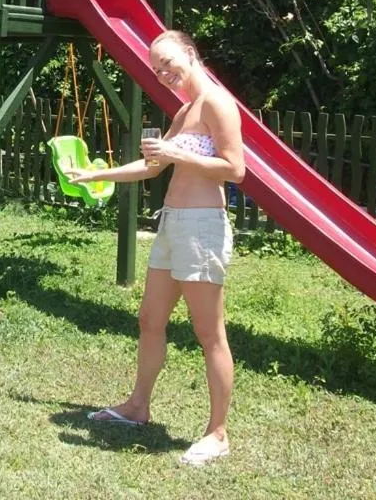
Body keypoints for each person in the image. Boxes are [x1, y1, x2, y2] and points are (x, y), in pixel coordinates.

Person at [64, 29, 245, 466]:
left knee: (208, 332)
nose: (162, 72)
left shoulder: (217, 102)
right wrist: (94, 176)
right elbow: (151, 167)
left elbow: (235, 169)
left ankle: (217, 433)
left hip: (202, 227)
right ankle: (138, 407)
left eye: (167, 62)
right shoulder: (184, 110)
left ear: (190, 52)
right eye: (156, 67)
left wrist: (176, 155)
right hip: (172, 224)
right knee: (149, 320)